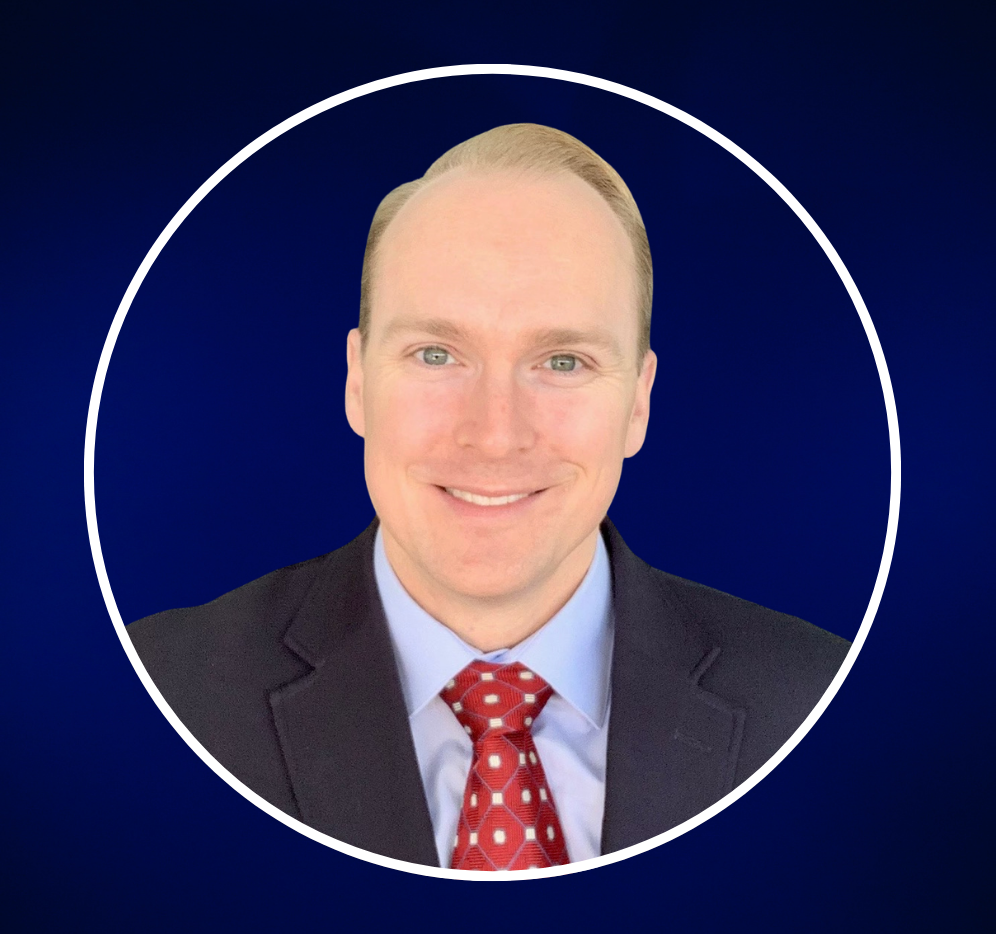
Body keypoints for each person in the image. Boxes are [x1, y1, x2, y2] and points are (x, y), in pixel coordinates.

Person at [129, 123, 850, 871]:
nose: (496, 434)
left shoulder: (828, 714)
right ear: (357, 382)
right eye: (436, 354)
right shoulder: (150, 704)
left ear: (637, 403)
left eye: (563, 360)